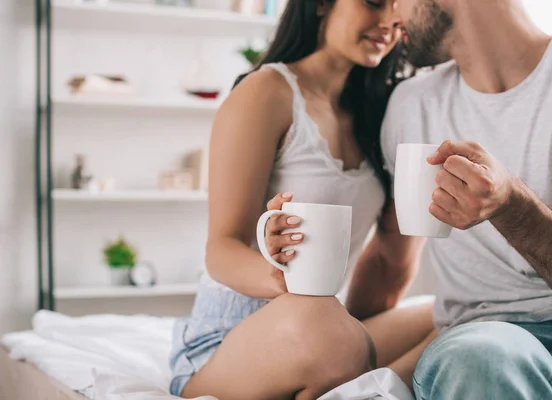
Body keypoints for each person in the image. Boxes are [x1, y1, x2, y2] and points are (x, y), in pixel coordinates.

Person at [169, 1, 434, 399]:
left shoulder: (378, 112)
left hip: (320, 325)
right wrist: (284, 278)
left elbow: (388, 265)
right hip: (226, 342)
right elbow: (222, 249)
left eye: (399, 9)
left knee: (455, 318)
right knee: (325, 325)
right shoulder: (267, 91)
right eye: (374, 2)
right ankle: (361, 379)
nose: (389, 22)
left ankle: (366, 388)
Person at [374, 0, 552, 398]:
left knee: (478, 358)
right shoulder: (410, 105)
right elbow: (389, 263)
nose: (391, 17)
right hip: (458, 345)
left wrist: (514, 208)